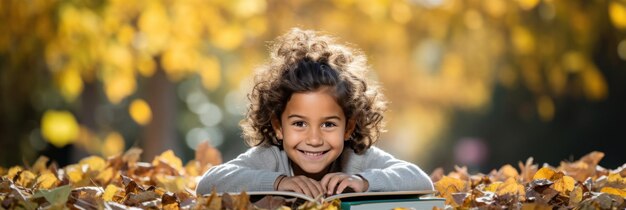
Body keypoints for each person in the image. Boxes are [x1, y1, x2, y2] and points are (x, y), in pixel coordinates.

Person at [196, 28, 434, 198]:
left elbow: (420, 180)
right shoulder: (271, 157)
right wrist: (278, 182)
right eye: (299, 124)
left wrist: (363, 182)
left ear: (348, 127)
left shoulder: (357, 159)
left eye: (328, 124)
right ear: (278, 126)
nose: (314, 139)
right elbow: (208, 183)